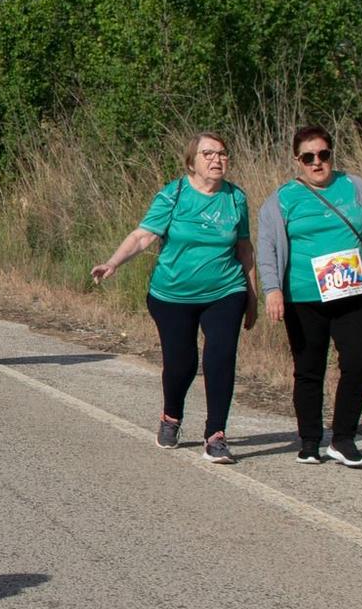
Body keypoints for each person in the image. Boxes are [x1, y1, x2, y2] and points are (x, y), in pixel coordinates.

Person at [90, 132, 258, 463]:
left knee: (220, 357)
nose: (217, 159)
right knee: (182, 364)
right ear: (191, 163)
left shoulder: (235, 198)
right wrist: (112, 263)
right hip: (172, 294)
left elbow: (244, 248)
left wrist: (253, 296)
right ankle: (171, 416)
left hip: (225, 290)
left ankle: (215, 435)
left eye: (222, 153)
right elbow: (142, 237)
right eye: (208, 154)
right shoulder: (174, 194)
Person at [256, 124, 362, 469]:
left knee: (358, 363)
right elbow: (268, 248)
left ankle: (344, 439)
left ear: (331, 155)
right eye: (309, 157)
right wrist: (272, 290)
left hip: (351, 291)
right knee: (308, 369)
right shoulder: (282, 199)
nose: (317, 163)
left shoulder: (356, 188)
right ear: (297, 160)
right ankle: (309, 441)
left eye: (323, 155)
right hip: (303, 294)